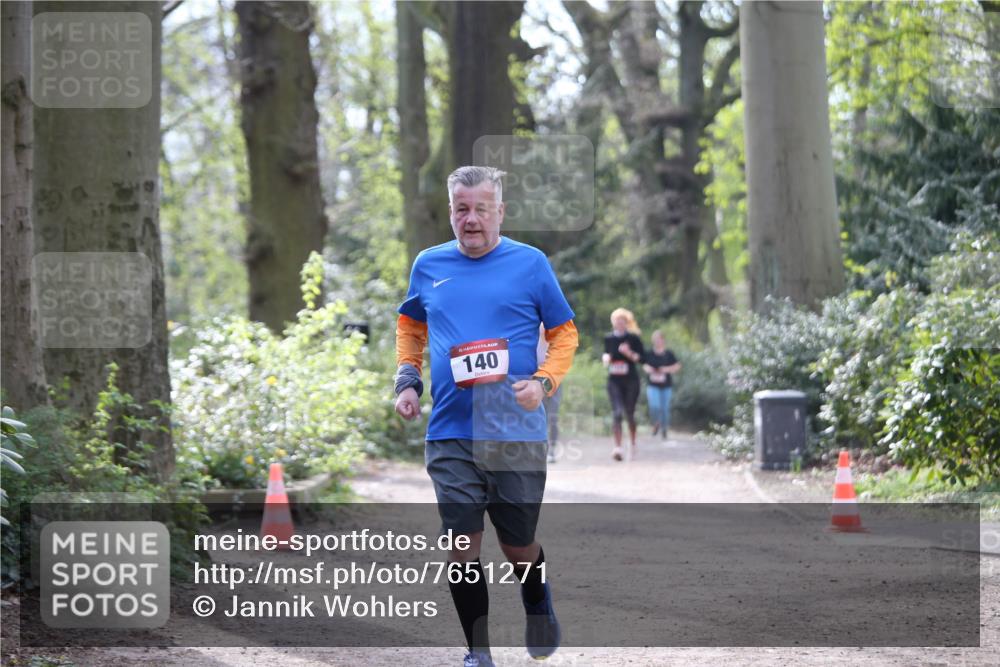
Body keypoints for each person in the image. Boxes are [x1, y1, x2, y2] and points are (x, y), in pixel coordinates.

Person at [393, 166, 579, 667]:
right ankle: (478, 652)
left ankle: (536, 598)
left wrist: (542, 383)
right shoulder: (429, 265)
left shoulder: (530, 264)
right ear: (450, 210)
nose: (470, 219)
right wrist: (407, 380)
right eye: (461, 209)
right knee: (461, 546)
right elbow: (410, 325)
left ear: (500, 211)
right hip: (451, 429)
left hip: (515, 432)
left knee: (517, 546)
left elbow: (565, 335)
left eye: (480, 209)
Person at [602, 308, 643, 461]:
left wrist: (629, 353)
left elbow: (642, 359)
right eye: (617, 321)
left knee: (630, 413)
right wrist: (606, 358)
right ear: (613, 323)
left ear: (627, 323)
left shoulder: (634, 338)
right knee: (617, 412)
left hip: (631, 380)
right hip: (614, 380)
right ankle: (618, 447)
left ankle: (632, 443)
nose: (619, 324)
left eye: (622, 321)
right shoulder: (608, 338)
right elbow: (607, 354)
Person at [642, 329, 681, 440]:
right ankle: (656, 424)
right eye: (656, 339)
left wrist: (666, 369)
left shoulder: (669, 354)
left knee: (664, 408)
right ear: (653, 341)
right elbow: (644, 365)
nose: (658, 341)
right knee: (654, 406)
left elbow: (677, 366)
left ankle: (664, 428)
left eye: (659, 339)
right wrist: (649, 369)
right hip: (653, 385)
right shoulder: (649, 353)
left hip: (666, 386)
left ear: (663, 340)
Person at [536, 323, 563, 464]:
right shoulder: (532, 342)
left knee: (552, 416)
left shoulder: (556, 343)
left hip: (554, 383)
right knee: (538, 417)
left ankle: (551, 449)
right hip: (535, 383)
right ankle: (539, 448)